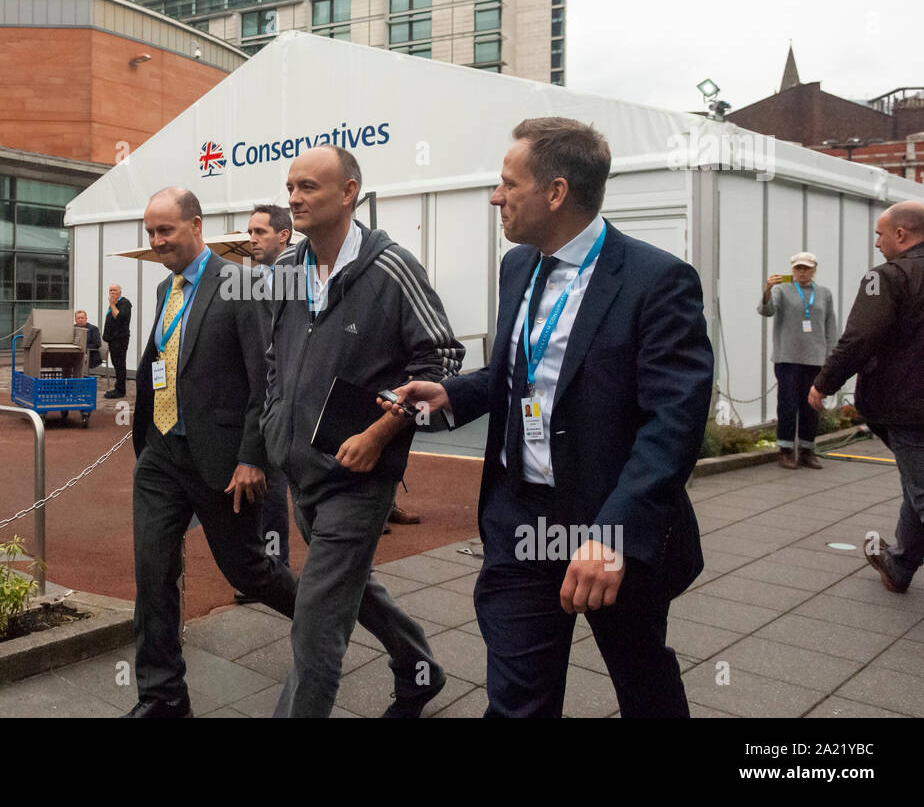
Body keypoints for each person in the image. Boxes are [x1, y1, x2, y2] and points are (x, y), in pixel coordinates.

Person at [385, 118, 713, 718]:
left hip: (608, 521)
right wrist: (453, 394)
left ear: (556, 193)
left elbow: (673, 425)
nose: (495, 197)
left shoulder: (657, 281)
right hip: (520, 520)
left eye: (507, 183)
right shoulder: (520, 267)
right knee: (516, 701)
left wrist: (611, 535)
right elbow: (521, 375)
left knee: (642, 681)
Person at [262, 145, 463, 718]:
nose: (294, 197)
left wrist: (379, 432)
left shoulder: (392, 268)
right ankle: (418, 668)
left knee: (316, 623)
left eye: (308, 187)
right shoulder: (282, 272)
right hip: (300, 469)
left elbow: (442, 358)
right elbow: (274, 360)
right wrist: (275, 425)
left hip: (361, 477)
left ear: (348, 193)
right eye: (291, 186)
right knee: (351, 586)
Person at [126, 187, 299, 718]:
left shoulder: (241, 285)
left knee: (249, 571)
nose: (156, 242)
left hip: (220, 461)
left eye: (166, 232)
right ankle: (162, 698)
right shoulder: (163, 290)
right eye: (150, 233)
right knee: (152, 573)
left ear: (196, 226)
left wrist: (253, 457)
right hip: (160, 455)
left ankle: (328, 612)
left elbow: (265, 379)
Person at [809, 200, 924, 594]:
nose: (876, 242)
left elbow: (860, 336)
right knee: (916, 485)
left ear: (901, 234)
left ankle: (899, 563)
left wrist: (824, 382)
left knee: (921, 489)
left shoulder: (887, 278)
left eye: (880, 233)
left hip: (909, 408)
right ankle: (899, 564)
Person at [233, 203, 294, 605]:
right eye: (250, 232)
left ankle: (278, 575)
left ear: (283, 235)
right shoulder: (250, 281)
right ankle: (267, 572)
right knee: (262, 487)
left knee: (276, 489)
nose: (251, 239)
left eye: (260, 232)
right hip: (258, 398)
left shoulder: (300, 279)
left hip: (289, 399)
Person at [759, 252, 838, 469]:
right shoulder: (781, 290)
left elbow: (830, 325)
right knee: (787, 404)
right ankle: (785, 449)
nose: (802, 272)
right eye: (798, 268)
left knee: (811, 405)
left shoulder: (824, 293)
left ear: (814, 270)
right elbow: (766, 311)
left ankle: (806, 450)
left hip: (815, 358)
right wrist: (766, 290)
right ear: (792, 269)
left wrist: (831, 355)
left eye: (806, 268)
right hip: (788, 358)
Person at [103, 283, 131, 398]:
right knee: (116, 364)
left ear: (120, 292)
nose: (112, 293)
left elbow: (119, 318)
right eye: (110, 290)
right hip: (112, 340)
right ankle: (117, 387)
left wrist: (112, 305)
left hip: (120, 340)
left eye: (114, 290)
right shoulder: (114, 304)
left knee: (120, 364)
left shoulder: (124, 303)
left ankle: (120, 390)